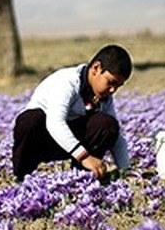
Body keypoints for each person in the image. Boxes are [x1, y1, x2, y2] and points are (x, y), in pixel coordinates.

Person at [12, 44, 133, 181]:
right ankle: (22, 178)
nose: (113, 90)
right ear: (96, 68)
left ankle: (83, 178)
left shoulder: (103, 96)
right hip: (42, 139)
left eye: (118, 86)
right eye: (111, 82)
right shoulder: (67, 82)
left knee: (107, 124)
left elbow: (117, 135)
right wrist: (84, 156)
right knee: (30, 120)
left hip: (71, 142)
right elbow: (55, 123)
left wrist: (125, 170)